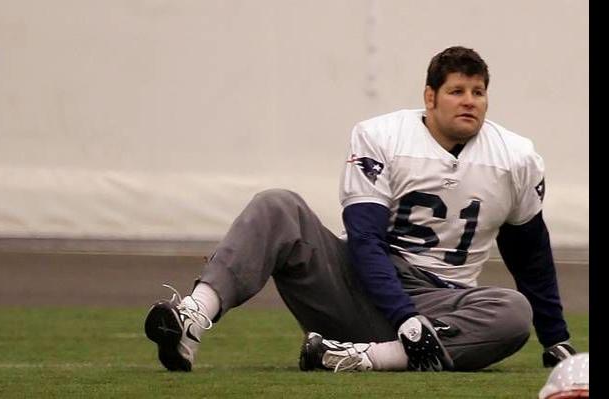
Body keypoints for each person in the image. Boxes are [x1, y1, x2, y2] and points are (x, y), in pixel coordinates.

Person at [144, 45, 576, 372]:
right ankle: (193, 317)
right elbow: (366, 239)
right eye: (457, 91)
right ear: (430, 96)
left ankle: (356, 358)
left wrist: (555, 338)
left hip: (441, 302)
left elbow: (530, 253)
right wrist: (402, 314)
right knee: (277, 205)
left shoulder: (515, 157)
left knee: (513, 311)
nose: (470, 101)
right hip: (359, 287)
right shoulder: (382, 137)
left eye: (478, 92)